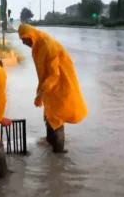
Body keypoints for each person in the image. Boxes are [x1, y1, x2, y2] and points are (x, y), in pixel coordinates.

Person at [18, 23, 88, 153]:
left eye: (24, 39)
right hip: (50, 88)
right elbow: (43, 73)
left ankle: (59, 156)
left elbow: (54, 75)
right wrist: (41, 91)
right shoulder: (38, 45)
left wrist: (41, 94)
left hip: (60, 87)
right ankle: (50, 144)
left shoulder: (49, 46)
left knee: (56, 120)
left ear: (30, 35)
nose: (23, 43)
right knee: (49, 116)